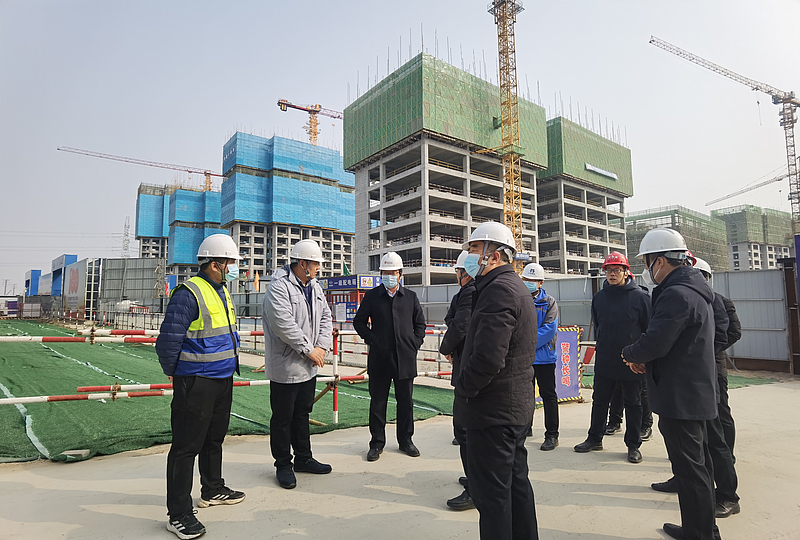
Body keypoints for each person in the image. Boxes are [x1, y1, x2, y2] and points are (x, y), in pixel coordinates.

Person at [621, 227, 721, 540]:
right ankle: (701, 528)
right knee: (697, 467)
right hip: (691, 392)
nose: (646, 269)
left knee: (690, 470)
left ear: (661, 261)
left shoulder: (677, 294)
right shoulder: (693, 290)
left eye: (647, 261)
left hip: (681, 395)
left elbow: (657, 340)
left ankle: (701, 533)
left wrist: (631, 353)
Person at [156, 234, 246, 540]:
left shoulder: (221, 291)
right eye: (230, 262)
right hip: (195, 381)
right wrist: (177, 374)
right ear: (215, 263)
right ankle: (179, 513)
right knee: (186, 447)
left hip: (222, 378)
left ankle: (212, 489)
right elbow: (168, 341)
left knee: (213, 439)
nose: (233, 268)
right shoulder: (188, 293)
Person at [455, 222, 539, 540]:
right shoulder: (511, 286)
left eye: (475, 249)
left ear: (495, 254)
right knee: (516, 489)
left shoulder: (499, 290)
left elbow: (489, 358)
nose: (470, 256)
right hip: (510, 410)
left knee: (492, 499)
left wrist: (464, 388)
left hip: (493, 413)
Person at [651, 257, 742, 519]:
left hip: (709, 374)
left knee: (715, 434)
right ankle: (683, 479)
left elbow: (727, 333)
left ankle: (727, 495)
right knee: (689, 442)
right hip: (687, 376)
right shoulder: (677, 296)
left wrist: (697, 352)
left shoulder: (714, 300)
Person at [262, 239, 333, 489]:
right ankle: (283, 463)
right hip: (286, 366)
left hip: (309, 365)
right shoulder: (279, 287)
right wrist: (309, 349)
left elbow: (326, 317)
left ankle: (304, 458)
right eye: (315, 264)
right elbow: (283, 324)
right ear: (302, 263)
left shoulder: (314, 287)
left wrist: (321, 347)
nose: (318, 268)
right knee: (283, 418)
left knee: (302, 414)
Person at [574, 251, 651, 464]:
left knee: (633, 403)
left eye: (617, 270)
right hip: (606, 359)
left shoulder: (640, 297)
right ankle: (594, 438)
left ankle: (633, 445)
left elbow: (648, 328)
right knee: (599, 401)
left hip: (632, 361)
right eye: (608, 270)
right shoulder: (599, 298)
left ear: (626, 272)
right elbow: (599, 327)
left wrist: (642, 357)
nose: (612, 274)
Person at [353, 251, 426, 461]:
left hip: (405, 359)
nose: (388, 276)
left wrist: (414, 343)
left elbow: (420, 324)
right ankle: (376, 444)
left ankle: (406, 441)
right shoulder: (372, 296)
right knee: (378, 403)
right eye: (385, 272)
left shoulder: (410, 297)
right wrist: (373, 340)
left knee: (406, 403)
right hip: (380, 359)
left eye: (392, 272)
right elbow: (359, 322)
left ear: (400, 274)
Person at [439, 250, 476, 511]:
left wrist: (446, 347)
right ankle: (474, 478)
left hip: (469, 369)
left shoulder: (471, 292)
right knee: (465, 429)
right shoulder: (466, 293)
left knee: (465, 430)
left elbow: (459, 323)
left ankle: (475, 486)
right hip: (467, 364)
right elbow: (451, 319)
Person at [520, 262, 560, 451]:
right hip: (524, 359)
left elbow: (549, 329)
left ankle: (552, 434)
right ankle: (525, 428)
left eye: (532, 280)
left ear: (541, 282)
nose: (528, 282)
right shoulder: (518, 300)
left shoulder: (549, 302)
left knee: (548, 396)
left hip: (544, 358)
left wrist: (525, 343)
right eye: (526, 279)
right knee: (524, 396)